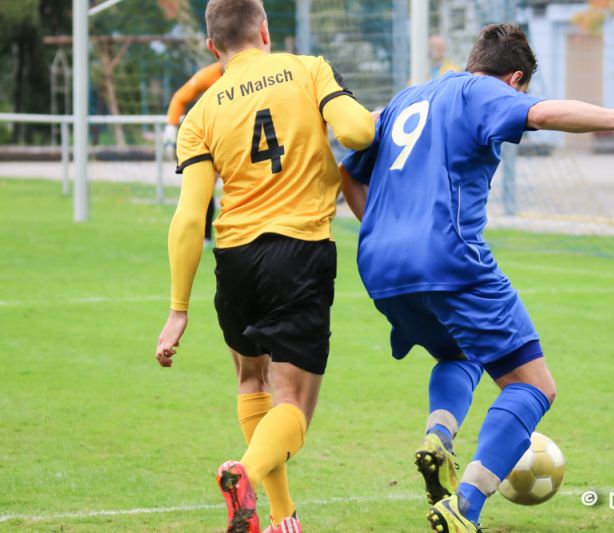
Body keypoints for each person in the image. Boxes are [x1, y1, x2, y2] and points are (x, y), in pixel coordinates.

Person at [340, 23, 614, 532]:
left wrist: (386, 232)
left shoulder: (408, 98)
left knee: (459, 353)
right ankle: (464, 507)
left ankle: (439, 436)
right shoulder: (483, 91)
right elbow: (543, 114)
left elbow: (348, 172)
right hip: (448, 259)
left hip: (379, 264)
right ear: (514, 79)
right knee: (534, 386)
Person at [153, 1, 375, 532]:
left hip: (234, 260)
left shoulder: (200, 114)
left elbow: (190, 218)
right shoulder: (309, 69)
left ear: (213, 46)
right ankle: (246, 474)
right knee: (293, 405)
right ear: (265, 30)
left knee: (252, 380)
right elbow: (358, 134)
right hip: (298, 253)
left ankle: (281, 515)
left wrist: (178, 310)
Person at [164, 62, 223, 246]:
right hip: (214, 139)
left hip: (245, 138)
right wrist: (170, 129)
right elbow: (180, 98)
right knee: (204, 189)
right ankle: (205, 237)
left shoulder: (254, 72)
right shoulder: (209, 75)